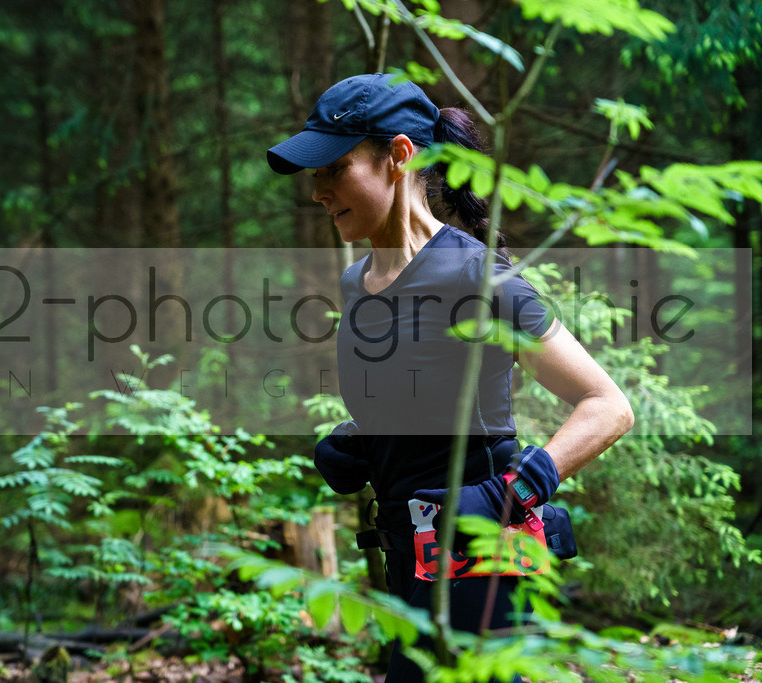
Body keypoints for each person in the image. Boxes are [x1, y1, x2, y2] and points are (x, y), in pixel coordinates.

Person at [267, 73, 634, 681]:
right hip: (406, 560)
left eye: (334, 168)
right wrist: (360, 441)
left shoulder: (476, 277)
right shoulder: (357, 284)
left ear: (399, 155)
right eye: (315, 174)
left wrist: (505, 497)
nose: (318, 191)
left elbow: (607, 406)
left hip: (489, 561)